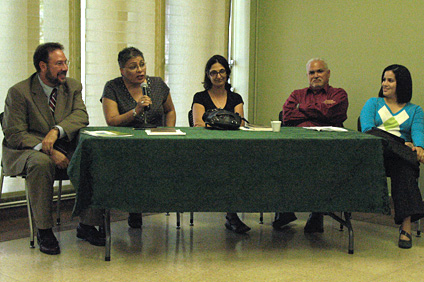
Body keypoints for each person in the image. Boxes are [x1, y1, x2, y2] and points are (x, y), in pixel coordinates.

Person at [2, 42, 105, 255]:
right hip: (26, 150)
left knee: (93, 153)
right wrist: (47, 148)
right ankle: (44, 230)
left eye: (65, 62)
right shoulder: (19, 92)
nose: (65, 67)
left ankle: (87, 225)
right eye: (59, 63)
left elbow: (80, 116)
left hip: (61, 144)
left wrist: (56, 131)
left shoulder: (72, 87)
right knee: (42, 163)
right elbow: (15, 134)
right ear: (42, 66)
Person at [101, 46, 176, 228]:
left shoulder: (157, 84)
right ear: (122, 71)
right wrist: (136, 111)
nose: (140, 70)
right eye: (133, 66)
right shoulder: (112, 87)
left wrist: (168, 131)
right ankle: (134, 207)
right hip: (126, 142)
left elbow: (170, 110)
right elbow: (112, 121)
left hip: (156, 140)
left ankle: (156, 202)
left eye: (142, 64)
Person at [279, 58, 349, 233]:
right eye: (312, 72)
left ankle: (316, 214)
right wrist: (319, 110)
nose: (315, 75)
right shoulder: (297, 94)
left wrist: (301, 108)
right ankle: (284, 210)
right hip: (297, 145)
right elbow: (286, 116)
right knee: (279, 159)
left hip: (327, 148)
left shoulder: (339, 94)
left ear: (328, 74)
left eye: (320, 71)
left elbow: (332, 113)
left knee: (320, 166)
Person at [360, 64, 424, 249]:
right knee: (379, 137)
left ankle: (406, 228)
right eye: (384, 79)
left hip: (396, 160)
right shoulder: (373, 103)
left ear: (401, 84)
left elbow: (418, 135)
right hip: (374, 155)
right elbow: (367, 130)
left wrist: (419, 147)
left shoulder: (415, 110)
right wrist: (403, 145)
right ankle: (404, 152)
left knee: (403, 166)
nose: (384, 84)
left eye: (390, 80)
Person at [191, 54, 250, 234]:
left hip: (233, 148)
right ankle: (231, 215)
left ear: (227, 73)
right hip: (207, 149)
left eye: (222, 71)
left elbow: (239, 123)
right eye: (213, 72)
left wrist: (215, 123)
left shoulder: (236, 97)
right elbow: (198, 124)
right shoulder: (200, 97)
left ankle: (231, 213)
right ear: (208, 76)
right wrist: (225, 124)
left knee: (238, 167)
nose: (218, 76)